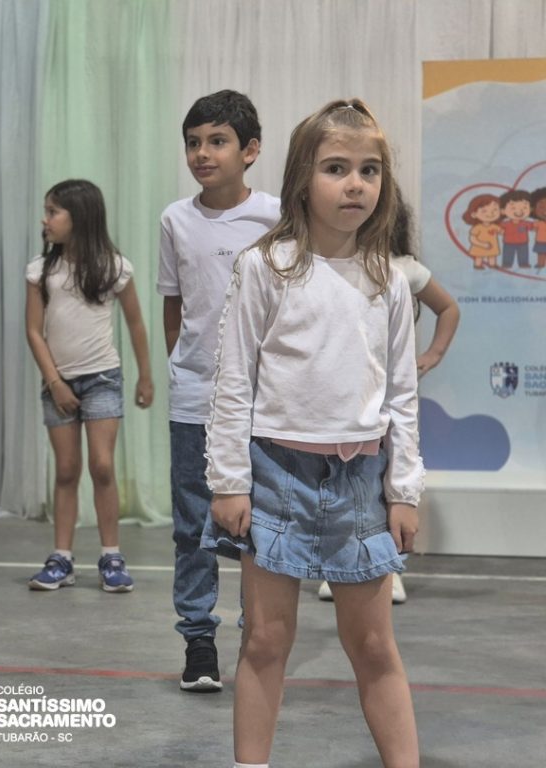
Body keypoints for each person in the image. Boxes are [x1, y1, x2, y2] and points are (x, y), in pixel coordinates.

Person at [204, 99, 422, 768]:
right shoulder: (266, 266)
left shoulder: (390, 279)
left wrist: (404, 490)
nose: (355, 184)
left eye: (369, 170)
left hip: (361, 483)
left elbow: (403, 395)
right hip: (275, 478)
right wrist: (229, 480)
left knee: (375, 646)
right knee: (266, 641)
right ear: (302, 178)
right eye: (336, 168)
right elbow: (233, 380)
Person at [156, 90, 280, 691]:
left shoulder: (278, 217)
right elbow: (174, 305)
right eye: (193, 143)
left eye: (217, 141)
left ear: (250, 150)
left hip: (262, 402)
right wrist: (185, 369)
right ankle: (198, 641)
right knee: (192, 527)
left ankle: (258, 635)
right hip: (193, 399)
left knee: (260, 526)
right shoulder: (175, 220)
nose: (202, 153)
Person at [318, 182, 460, 603]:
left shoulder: (404, 268)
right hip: (344, 401)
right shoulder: (330, 264)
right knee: (341, 481)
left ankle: (390, 566)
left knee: (391, 481)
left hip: (390, 400)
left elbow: (448, 308)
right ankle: (338, 563)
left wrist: (431, 355)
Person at [25, 179, 153, 593]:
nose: (45, 220)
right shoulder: (41, 270)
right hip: (58, 383)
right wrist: (55, 382)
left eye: (53, 212)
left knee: (101, 465)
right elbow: (34, 331)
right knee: (66, 469)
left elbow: (136, 323)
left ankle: (111, 555)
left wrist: (145, 375)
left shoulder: (114, 267)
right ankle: (61, 557)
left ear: (79, 217)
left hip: (102, 379)